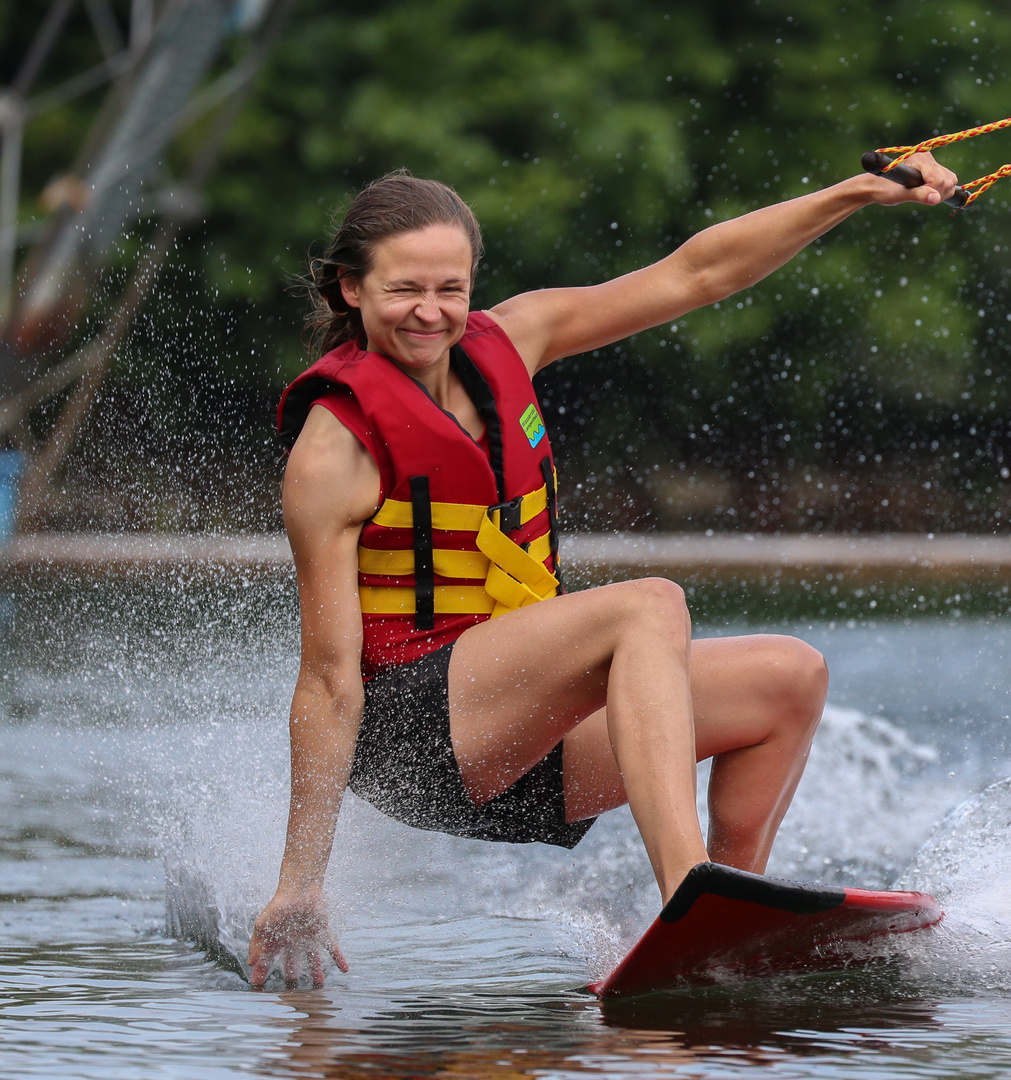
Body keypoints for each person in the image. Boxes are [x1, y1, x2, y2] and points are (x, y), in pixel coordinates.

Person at [247, 155, 960, 989]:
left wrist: (851, 194)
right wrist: (300, 880)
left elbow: (698, 273)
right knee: (645, 606)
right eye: (405, 290)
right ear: (350, 290)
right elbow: (330, 681)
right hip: (414, 740)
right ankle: (690, 894)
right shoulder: (333, 451)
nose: (431, 312)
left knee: (789, 678)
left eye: (451, 288)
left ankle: (727, 939)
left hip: (525, 728)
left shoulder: (517, 337)